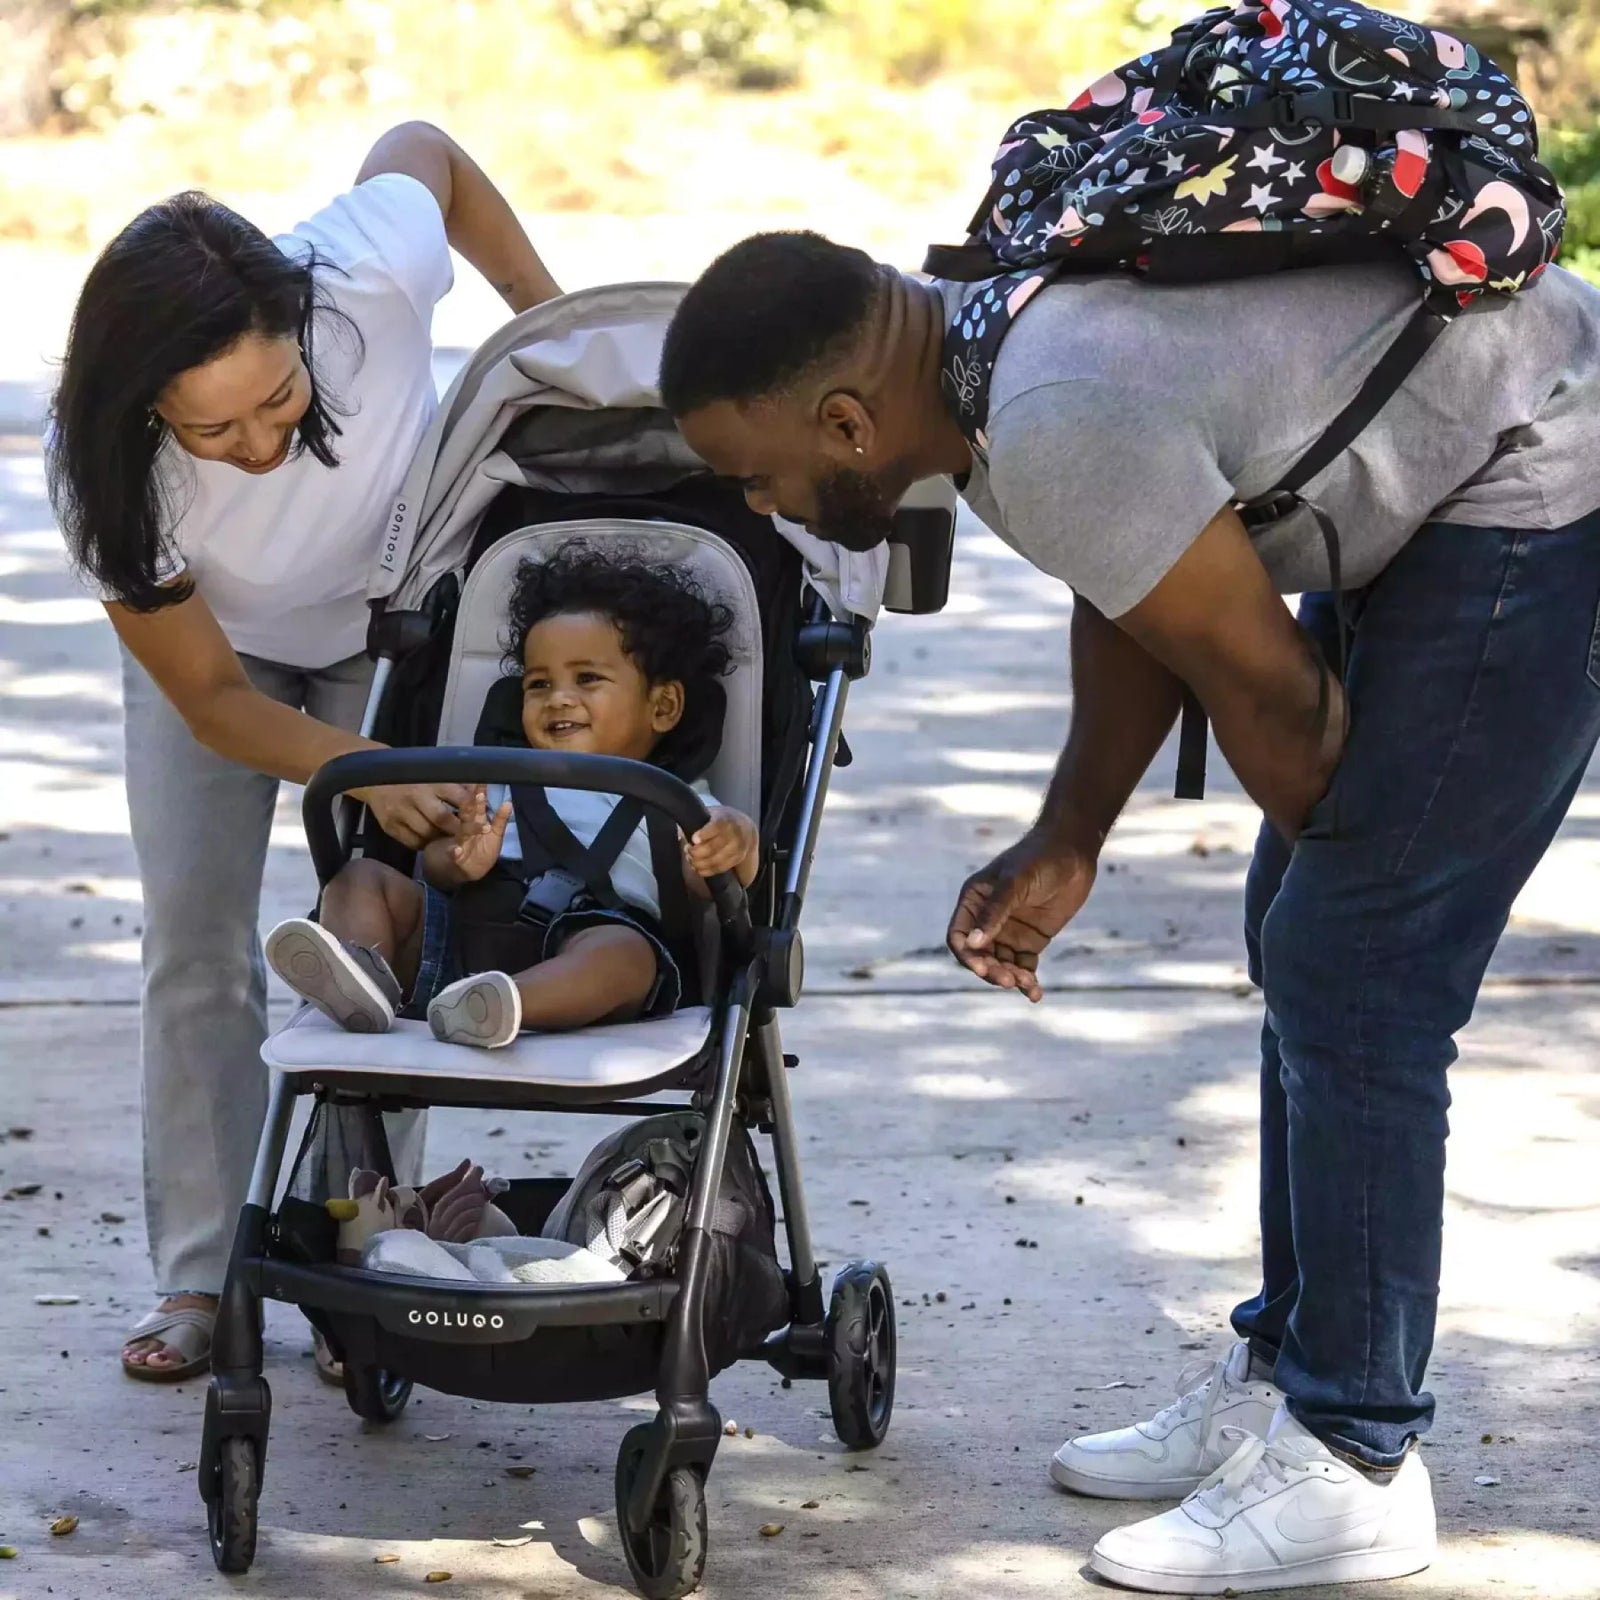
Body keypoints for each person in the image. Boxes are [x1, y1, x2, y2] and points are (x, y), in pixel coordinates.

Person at [654, 230, 1600, 1594]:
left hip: (1536, 463)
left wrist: (1354, 886)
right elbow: (1137, 574)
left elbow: (1271, 696)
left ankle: (1354, 1457)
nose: (765, 504)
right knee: (1308, 934)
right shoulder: (983, 353)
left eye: (759, 474)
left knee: (1352, 967)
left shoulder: (1045, 407)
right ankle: (1292, 1368)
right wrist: (1072, 833)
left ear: (848, 424)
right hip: (1458, 452)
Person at [47, 121, 564, 1383]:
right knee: (193, 939)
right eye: (215, 431)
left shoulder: (366, 267)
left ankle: (360, 1260)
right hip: (221, 659)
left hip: (389, 630)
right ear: (147, 405)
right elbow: (213, 700)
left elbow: (429, 151)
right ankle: (204, 1272)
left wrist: (546, 325)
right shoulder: (103, 468)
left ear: (303, 326)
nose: (263, 443)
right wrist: (370, 770)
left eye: (279, 399)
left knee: (378, 935)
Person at [264, 545, 760, 1047]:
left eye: (587, 679)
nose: (558, 698)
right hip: (458, 939)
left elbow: (714, 882)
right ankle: (359, 976)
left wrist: (733, 841)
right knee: (360, 877)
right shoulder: (497, 776)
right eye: (538, 684)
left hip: (591, 935)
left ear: (663, 706)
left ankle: (508, 1004)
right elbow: (436, 868)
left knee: (624, 955)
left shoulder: (674, 799)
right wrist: (458, 860)